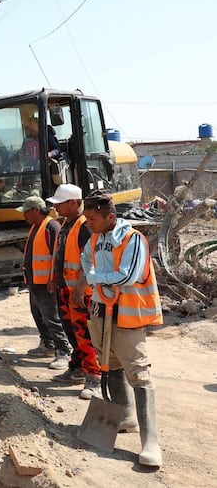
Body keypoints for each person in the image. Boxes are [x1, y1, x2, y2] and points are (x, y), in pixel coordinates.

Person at [76, 190, 163, 468]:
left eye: (92, 218)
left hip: (128, 312)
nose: (88, 222)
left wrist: (94, 278)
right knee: (109, 362)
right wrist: (93, 277)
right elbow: (85, 259)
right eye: (86, 217)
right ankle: (125, 416)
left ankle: (151, 443)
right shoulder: (95, 238)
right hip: (102, 310)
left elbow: (128, 275)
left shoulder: (132, 239)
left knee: (137, 372)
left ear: (110, 217)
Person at [45, 184, 100, 399]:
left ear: (74, 203)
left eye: (59, 203)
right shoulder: (67, 224)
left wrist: (80, 289)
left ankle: (94, 377)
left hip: (81, 293)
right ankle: (78, 367)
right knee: (72, 332)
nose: (55, 207)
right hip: (66, 289)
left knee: (86, 335)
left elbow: (90, 262)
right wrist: (55, 280)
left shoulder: (84, 226)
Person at [18, 195, 72, 370]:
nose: (24, 216)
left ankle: (63, 351)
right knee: (38, 314)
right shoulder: (36, 226)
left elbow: (57, 256)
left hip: (46, 283)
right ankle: (47, 344)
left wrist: (53, 279)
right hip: (35, 282)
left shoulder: (51, 226)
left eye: (26, 212)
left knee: (52, 317)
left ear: (36, 210)